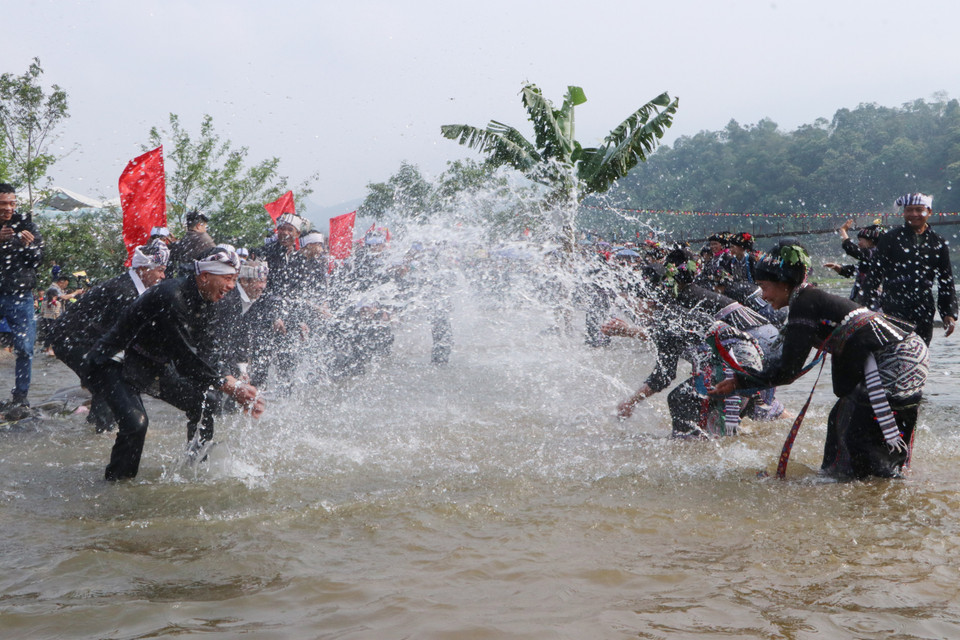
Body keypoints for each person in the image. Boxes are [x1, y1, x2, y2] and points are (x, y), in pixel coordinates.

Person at [712, 243, 929, 479]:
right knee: (840, 420)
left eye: (765, 287)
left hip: (898, 356)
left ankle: (878, 488)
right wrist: (742, 379)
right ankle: (836, 479)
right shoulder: (805, 299)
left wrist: (739, 383)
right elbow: (782, 361)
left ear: (784, 283)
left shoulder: (805, 302)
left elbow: (788, 370)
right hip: (897, 351)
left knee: (861, 433)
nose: (763, 296)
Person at [81, 247, 264, 481]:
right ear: (205, 276)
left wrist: (232, 378)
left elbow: (210, 349)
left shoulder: (208, 300)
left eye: (235, 280)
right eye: (228, 279)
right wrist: (227, 385)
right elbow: (185, 359)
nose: (231, 286)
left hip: (151, 364)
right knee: (136, 424)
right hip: (114, 360)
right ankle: (117, 486)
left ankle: (196, 466)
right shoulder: (171, 295)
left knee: (204, 403)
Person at [51, 241, 169, 432]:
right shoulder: (124, 291)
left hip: (89, 338)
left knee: (110, 377)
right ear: (143, 269)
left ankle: (97, 426)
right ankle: (102, 432)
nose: (163, 276)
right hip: (70, 340)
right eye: (160, 270)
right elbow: (126, 338)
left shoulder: (134, 286)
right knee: (109, 380)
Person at [863, 193, 957, 345]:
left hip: (924, 308)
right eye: (909, 210)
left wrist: (948, 313)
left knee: (920, 351)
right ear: (904, 212)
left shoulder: (937, 242)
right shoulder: (890, 238)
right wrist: (867, 308)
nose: (914, 214)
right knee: (893, 352)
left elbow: (945, 280)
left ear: (929, 212)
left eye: (919, 210)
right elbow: (874, 274)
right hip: (893, 307)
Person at [0, 183, 44, 408]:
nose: (8, 208)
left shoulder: (27, 226)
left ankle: (20, 397)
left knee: (25, 348)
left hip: (20, 295)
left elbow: (39, 260)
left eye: (12, 203)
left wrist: (28, 246)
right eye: (3, 204)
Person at [823, 219, 884, 304]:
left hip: (871, 301)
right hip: (865, 299)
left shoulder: (873, 253)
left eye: (860, 240)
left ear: (870, 241)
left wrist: (843, 231)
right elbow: (856, 270)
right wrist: (839, 268)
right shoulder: (871, 256)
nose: (858, 243)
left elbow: (851, 249)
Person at [39, 273, 82, 355]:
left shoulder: (58, 289)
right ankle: (50, 349)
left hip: (50, 316)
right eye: (65, 284)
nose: (65, 286)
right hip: (53, 316)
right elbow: (64, 297)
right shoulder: (54, 288)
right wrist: (76, 292)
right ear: (61, 282)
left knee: (53, 332)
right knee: (54, 332)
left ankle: (49, 348)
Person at [169, 210, 215, 275]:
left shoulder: (186, 238)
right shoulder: (204, 238)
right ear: (198, 226)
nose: (205, 230)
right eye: (205, 227)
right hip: (199, 277)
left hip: (183, 276)